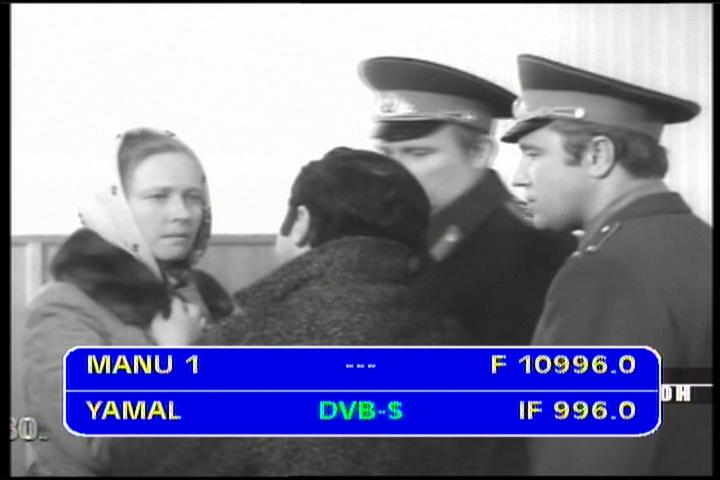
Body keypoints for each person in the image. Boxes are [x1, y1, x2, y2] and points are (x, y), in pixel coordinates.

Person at [108, 147, 488, 476]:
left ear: (302, 223)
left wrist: (175, 362)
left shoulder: (253, 345)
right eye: (158, 197)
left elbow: (137, 459)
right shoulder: (458, 344)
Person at [358, 56, 578, 475]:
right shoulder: (400, 234)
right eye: (385, 154)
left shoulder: (531, 249)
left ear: (480, 152)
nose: (392, 172)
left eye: (418, 153)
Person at [502, 54, 711, 475]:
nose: (520, 177)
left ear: (598, 154)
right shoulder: (698, 242)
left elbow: (582, 457)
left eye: (534, 154)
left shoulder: (604, 274)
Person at [23, 127, 233, 476]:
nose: (182, 213)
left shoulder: (207, 295)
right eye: (158, 196)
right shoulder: (63, 307)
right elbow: (92, 447)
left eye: (193, 197)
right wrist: (173, 361)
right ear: (114, 208)